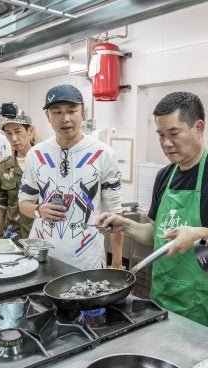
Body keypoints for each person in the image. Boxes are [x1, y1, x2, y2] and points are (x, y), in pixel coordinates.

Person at [97, 91, 208, 334]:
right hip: (164, 302)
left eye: (174, 133)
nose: (166, 143)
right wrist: (124, 224)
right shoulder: (165, 176)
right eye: (161, 135)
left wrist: (200, 234)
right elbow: (156, 236)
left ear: (198, 127)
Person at [19, 84, 123, 270]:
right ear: (47, 116)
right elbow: (23, 204)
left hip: (86, 259)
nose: (65, 119)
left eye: (72, 111)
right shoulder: (36, 155)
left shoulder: (103, 154)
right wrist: (39, 210)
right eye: (57, 112)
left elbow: (115, 214)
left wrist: (117, 261)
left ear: (82, 112)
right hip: (43, 257)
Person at [0, 110, 35, 241]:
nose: (14, 138)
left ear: (30, 131)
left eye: (18, 132)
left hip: (39, 232)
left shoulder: (46, 162)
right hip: (13, 234)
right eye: (8, 134)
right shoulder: (4, 167)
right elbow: (1, 205)